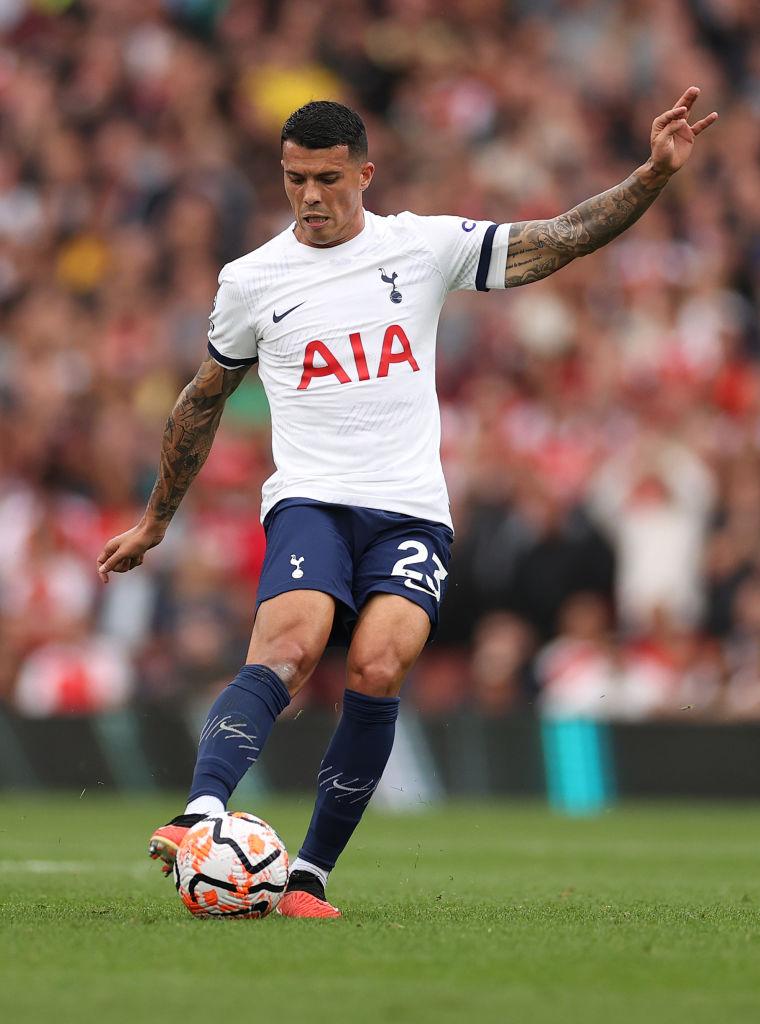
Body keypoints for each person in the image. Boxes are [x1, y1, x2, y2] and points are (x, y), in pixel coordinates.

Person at [97, 91, 717, 918]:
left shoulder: (421, 246)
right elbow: (200, 401)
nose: (310, 196)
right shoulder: (250, 280)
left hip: (411, 511)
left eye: (327, 179)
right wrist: (156, 519)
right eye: (293, 179)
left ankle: (309, 876)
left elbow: (559, 238)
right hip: (312, 499)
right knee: (292, 643)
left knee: (379, 667)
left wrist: (651, 176)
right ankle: (199, 812)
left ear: (364, 174)